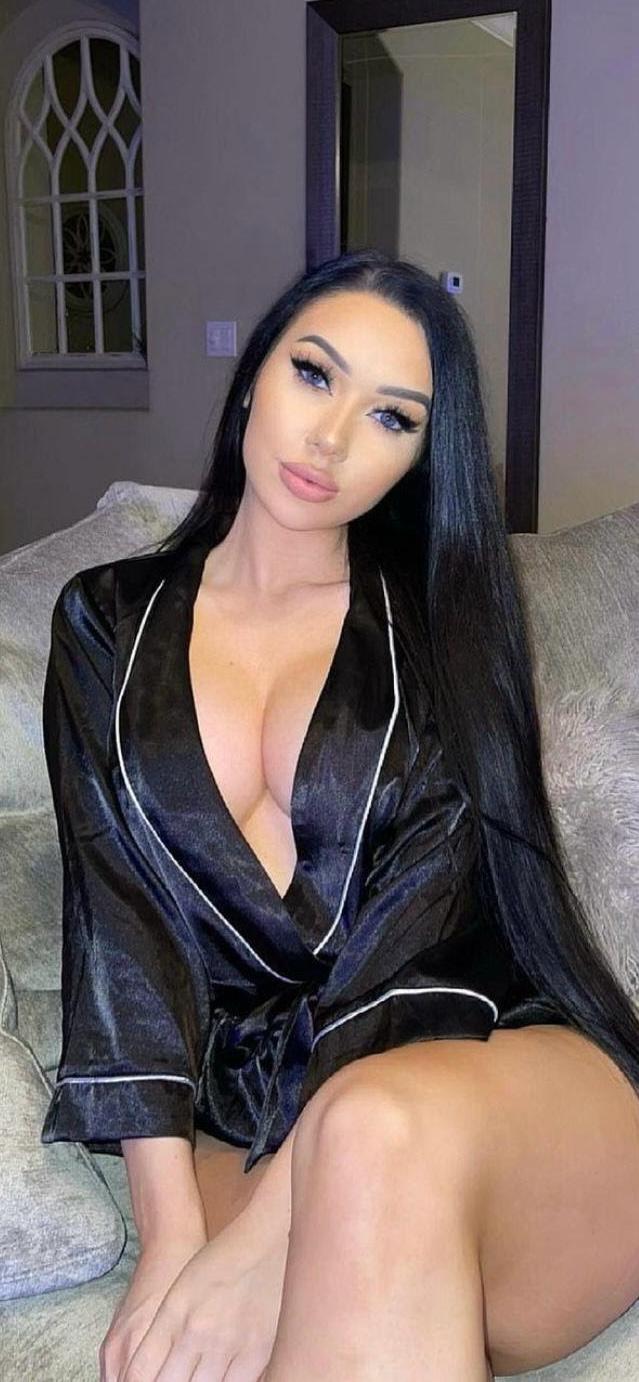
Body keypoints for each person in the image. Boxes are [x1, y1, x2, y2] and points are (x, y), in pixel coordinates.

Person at [40, 250, 639, 1381]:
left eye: (391, 416)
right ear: (254, 376)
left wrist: (265, 1238)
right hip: (260, 1108)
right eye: (315, 374)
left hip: (501, 1082)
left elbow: (424, 952)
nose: (330, 438)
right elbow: (119, 935)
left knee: (368, 1129)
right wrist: (169, 1247)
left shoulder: (447, 628)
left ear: (419, 456)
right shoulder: (104, 625)